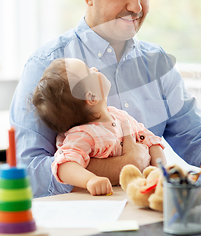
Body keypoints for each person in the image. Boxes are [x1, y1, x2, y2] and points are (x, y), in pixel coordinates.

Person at [9, 0, 201, 197]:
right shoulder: (45, 65)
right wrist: (122, 166)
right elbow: (28, 172)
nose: (136, 6)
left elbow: (197, 136)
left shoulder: (157, 62)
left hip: (151, 213)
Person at [31, 58, 166, 196]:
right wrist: (90, 180)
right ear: (92, 98)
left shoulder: (120, 116)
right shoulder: (84, 134)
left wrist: (161, 173)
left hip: (133, 196)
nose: (95, 68)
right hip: (105, 202)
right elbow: (64, 165)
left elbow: (151, 142)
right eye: (89, 71)